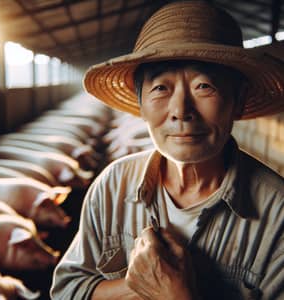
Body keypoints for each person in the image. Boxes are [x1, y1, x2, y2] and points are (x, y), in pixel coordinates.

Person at [50, 1, 284, 299]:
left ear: (237, 101)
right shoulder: (112, 185)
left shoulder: (277, 214)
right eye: (161, 88)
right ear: (141, 105)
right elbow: (68, 289)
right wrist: (142, 283)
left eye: (205, 86)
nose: (181, 111)